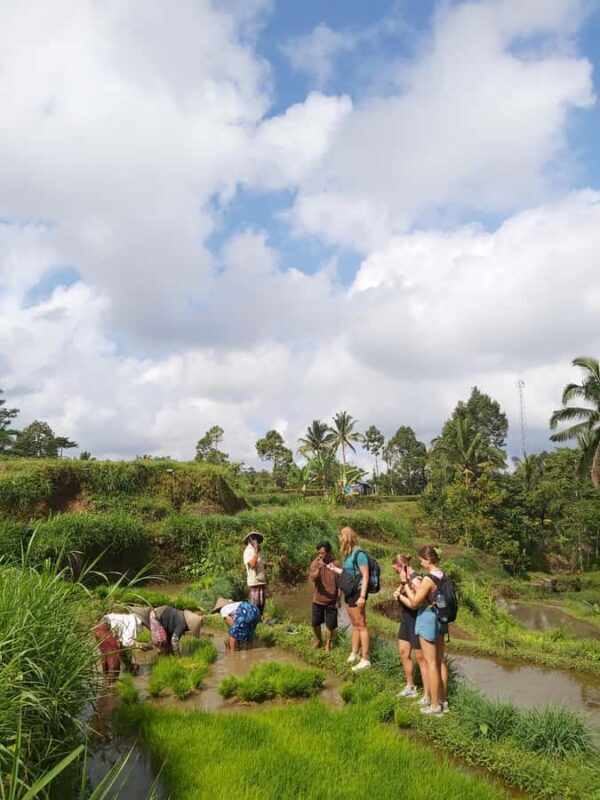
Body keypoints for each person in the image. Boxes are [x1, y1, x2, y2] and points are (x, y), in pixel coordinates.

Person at [400, 545, 449, 716]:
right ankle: (443, 700)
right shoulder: (443, 575)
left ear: (428, 560)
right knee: (440, 661)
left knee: (432, 664)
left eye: (422, 560)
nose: (420, 563)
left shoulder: (428, 579)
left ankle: (435, 706)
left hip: (428, 618)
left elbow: (414, 602)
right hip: (441, 619)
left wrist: (405, 585)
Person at [327, 526, 370, 672]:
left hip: (358, 593)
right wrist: (334, 569)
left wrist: (363, 596)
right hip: (349, 592)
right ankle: (354, 653)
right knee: (354, 624)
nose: (339, 539)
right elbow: (347, 574)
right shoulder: (348, 554)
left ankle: (366, 659)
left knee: (361, 625)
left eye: (340, 536)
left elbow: (365, 576)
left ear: (346, 537)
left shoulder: (359, 554)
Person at [391, 555, 430, 702]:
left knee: (421, 659)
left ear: (402, 567)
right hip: (405, 620)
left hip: (416, 620)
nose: (396, 574)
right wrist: (399, 589)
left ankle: (427, 695)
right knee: (403, 652)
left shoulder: (416, 579)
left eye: (396, 571)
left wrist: (400, 597)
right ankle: (410, 686)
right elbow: (402, 589)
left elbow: (416, 604)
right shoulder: (405, 580)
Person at [94, 609, 147, 681]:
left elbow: (123, 647)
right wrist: (141, 645)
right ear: (141, 623)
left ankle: (106, 679)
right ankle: (112, 683)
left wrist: (128, 664)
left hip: (99, 627)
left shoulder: (127, 619)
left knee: (106, 655)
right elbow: (127, 642)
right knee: (113, 657)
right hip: (105, 628)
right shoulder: (133, 622)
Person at [309, 540, 340, 652]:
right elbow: (312, 578)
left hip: (332, 600)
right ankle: (318, 640)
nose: (320, 555)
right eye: (319, 553)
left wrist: (338, 599)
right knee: (315, 623)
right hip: (318, 599)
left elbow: (339, 584)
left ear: (329, 552)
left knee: (330, 625)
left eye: (322, 553)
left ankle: (328, 645)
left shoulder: (336, 564)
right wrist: (318, 569)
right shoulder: (315, 563)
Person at [242, 531, 273, 614]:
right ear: (249, 541)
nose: (255, 540)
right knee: (254, 605)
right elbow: (252, 564)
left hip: (261, 580)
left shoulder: (259, 552)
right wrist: (255, 552)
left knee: (261, 603)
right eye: (253, 538)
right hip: (254, 582)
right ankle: (254, 620)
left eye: (256, 538)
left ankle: (259, 620)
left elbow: (260, 564)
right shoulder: (247, 552)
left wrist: (267, 565)